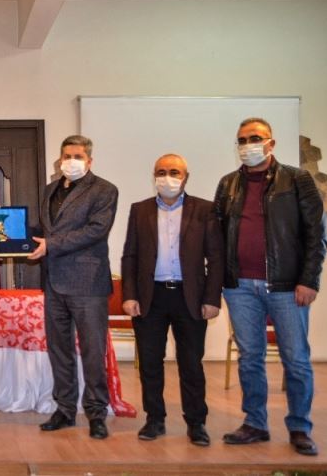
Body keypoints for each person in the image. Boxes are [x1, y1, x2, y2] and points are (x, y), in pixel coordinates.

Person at [215, 117, 327, 456]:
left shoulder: (297, 179)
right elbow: (216, 235)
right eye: (242, 139)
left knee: (296, 359)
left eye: (255, 138)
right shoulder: (228, 184)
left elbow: (316, 234)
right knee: (250, 357)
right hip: (239, 287)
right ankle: (255, 423)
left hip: (287, 287)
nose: (248, 144)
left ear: (271, 143)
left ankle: (300, 427)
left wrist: (309, 280)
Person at [120, 154, 223, 446]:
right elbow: (130, 255)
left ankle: (196, 423)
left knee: (191, 363)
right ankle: (155, 419)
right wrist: (129, 295)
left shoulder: (205, 209)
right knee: (150, 362)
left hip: (189, 297)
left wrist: (212, 298)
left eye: (174, 172)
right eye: (161, 171)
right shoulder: (139, 210)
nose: (168, 177)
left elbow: (216, 258)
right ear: (154, 175)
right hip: (149, 297)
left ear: (185, 177)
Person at [28, 134, 118, 440]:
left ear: (89, 161)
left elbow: (96, 230)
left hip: (87, 283)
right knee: (59, 350)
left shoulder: (105, 190)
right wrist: (7, 237)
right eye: (67, 156)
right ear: (60, 159)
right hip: (54, 281)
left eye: (78, 156)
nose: (71, 161)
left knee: (93, 351)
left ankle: (96, 412)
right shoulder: (50, 189)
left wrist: (50, 245)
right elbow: (43, 229)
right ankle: (65, 409)